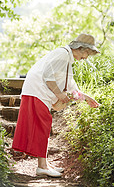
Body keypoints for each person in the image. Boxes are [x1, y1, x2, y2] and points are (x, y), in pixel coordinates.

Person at [12, 33, 100, 177]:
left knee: (44, 125)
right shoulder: (63, 55)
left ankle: (44, 164)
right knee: (43, 124)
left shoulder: (67, 59)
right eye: (87, 53)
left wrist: (87, 98)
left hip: (38, 92)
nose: (86, 58)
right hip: (37, 91)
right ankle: (42, 167)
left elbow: (71, 86)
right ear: (81, 48)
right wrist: (59, 94)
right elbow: (47, 76)